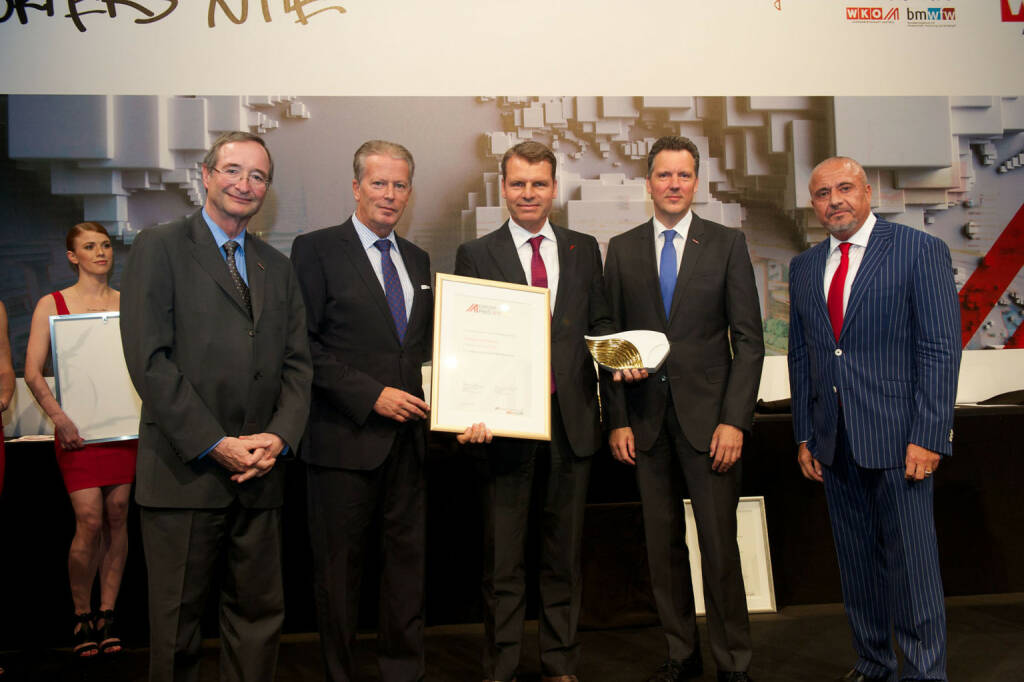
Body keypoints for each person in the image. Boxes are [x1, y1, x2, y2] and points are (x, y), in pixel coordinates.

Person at [120, 131, 312, 682]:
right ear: (204, 175)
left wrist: (277, 437)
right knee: (176, 629)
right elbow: (149, 359)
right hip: (185, 473)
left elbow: (298, 364)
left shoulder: (277, 265)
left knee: (257, 620)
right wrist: (215, 444)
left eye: (257, 176)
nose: (243, 184)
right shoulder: (159, 246)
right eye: (232, 170)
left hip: (261, 473)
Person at [787, 156, 960, 682]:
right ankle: (874, 662)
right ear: (813, 204)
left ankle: (925, 673)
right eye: (822, 193)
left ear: (867, 191)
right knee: (858, 567)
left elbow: (939, 349)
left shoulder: (919, 251)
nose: (834, 200)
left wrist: (929, 435)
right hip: (834, 443)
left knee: (913, 570)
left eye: (844, 188)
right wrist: (805, 433)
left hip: (901, 440)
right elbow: (803, 356)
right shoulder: (804, 267)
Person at [603, 136, 763, 682]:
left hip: (712, 424)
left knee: (720, 550)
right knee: (661, 548)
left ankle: (733, 663)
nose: (674, 185)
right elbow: (610, 336)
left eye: (684, 175)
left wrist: (734, 420)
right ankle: (680, 656)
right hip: (645, 425)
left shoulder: (726, 244)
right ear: (647, 183)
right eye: (664, 175)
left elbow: (749, 339)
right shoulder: (620, 249)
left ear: (696, 182)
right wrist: (618, 417)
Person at [454, 140, 615, 682]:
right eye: (518, 183)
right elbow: (469, 343)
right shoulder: (477, 254)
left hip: (571, 429)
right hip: (502, 429)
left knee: (562, 558)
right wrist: (467, 409)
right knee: (503, 562)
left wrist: (626, 368)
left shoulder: (583, 248)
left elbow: (601, 333)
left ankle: (560, 664)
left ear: (554, 188)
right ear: (504, 188)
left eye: (539, 183)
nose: (529, 193)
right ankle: (499, 667)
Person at [292, 140, 440, 682]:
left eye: (400, 185)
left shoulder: (419, 260)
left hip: (410, 445)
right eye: (379, 183)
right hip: (341, 439)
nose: (390, 195)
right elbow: (302, 346)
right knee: (339, 577)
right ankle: (341, 675)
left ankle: (404, 671)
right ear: (356, 187)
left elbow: (423, 352)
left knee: (407, 570)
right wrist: (369, 394)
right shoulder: (315, 250)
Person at [23, 223, 137, 658]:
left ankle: (107, 614)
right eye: (89, 247)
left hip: (122, 429)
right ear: (72, 256)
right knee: (89, 518)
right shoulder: (50, 305)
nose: (100, 252)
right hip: (75, 432)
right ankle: (79, 612)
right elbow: (32, 371)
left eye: (105, 245)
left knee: (118, 513)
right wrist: (59, 419)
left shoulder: (127, 306)